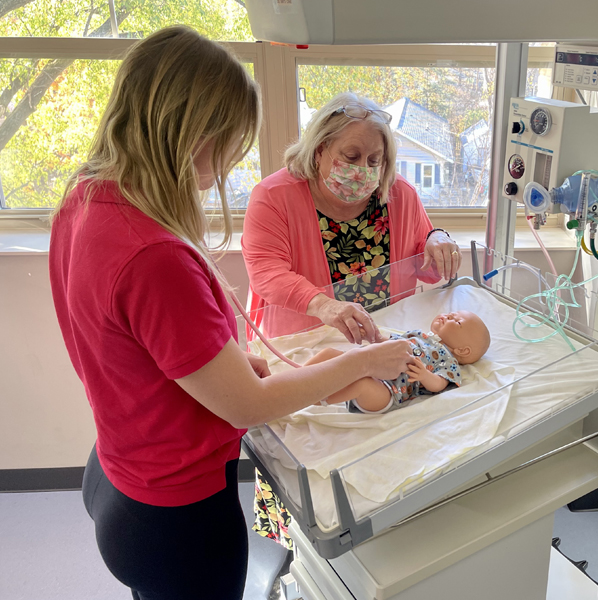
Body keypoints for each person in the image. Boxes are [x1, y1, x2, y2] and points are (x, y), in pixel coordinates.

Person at [48, 27, 414, 600]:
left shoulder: (88, 196)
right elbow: (247, 405)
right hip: (174, 517)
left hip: (117, 473)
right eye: (226, 144)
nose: (224, 167)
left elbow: (130, 342)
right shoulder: (156, 255)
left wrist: (230, 362)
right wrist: (361, 361)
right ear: (186, 131)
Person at [241, 92, 462, 551]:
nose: (364, 168)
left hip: (376, 344)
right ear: (319, 150)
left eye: (376, 158)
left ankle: (381, 539)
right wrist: (323, 306)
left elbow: (424, 247)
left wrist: (439, 238)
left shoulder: (396, 195)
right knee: (305, 457)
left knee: (373, 450)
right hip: (298, 346)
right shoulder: (275, 196)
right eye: (351, 155)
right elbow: (265, 270)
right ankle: (296, 554)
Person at [307, 310, 491, 413]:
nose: (448, 316)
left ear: (463, 350)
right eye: (451, 313)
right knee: (329, 353)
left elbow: (440, 385)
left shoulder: (448, 360)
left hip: (388, 390)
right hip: (367, 366)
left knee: (362, 384)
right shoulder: (418, 335)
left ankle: (317, 399)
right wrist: (375, 338)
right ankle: (298, 376)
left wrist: (424, 375)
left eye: (456, 322)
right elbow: (391, 345)